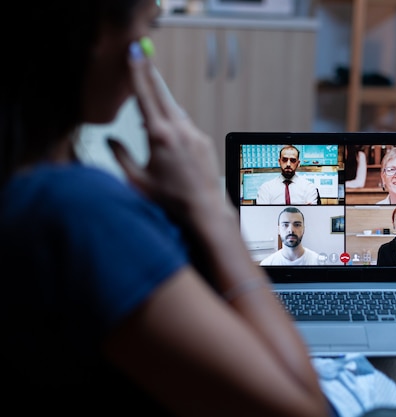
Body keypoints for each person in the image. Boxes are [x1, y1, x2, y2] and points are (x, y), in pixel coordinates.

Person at [0, 1, 332, 415]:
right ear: (100, 35)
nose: (147, 52)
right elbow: (305, 408)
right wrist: (212, 208)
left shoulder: (40, 185)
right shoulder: (78, 210)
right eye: (149, 29)